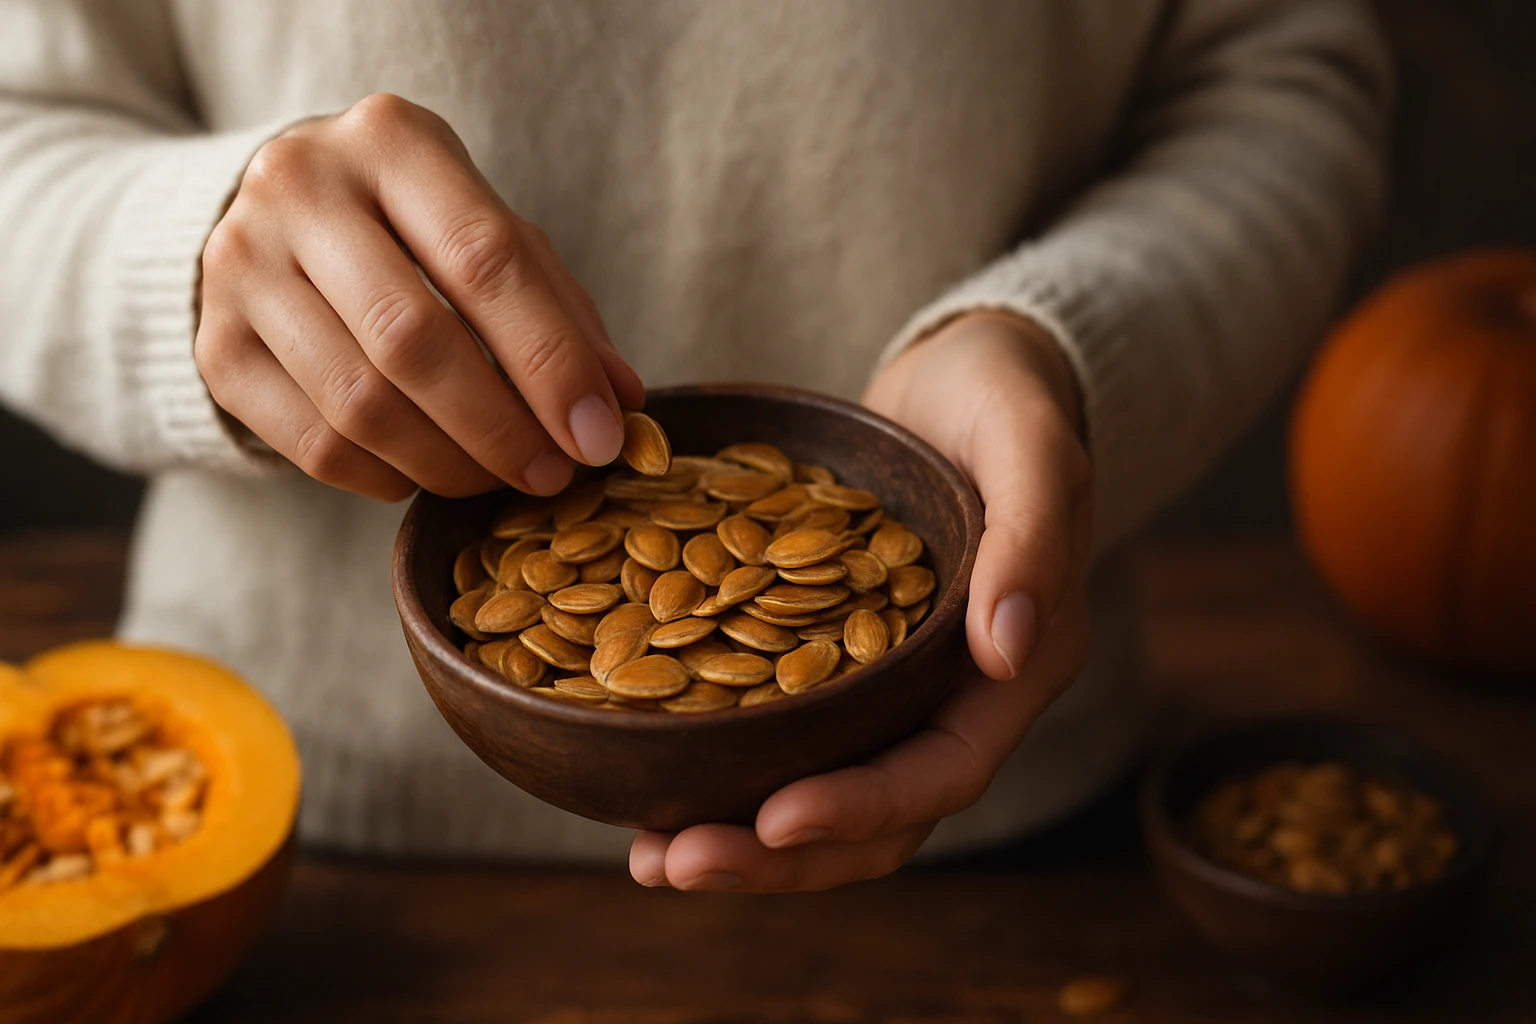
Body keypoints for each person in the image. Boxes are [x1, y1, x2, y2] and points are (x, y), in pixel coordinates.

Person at [0, 1, 1389, 892]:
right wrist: (191, 261)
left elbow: (1281, 75)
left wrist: (1065, 346)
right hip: (245, 831)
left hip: (1012, 795)